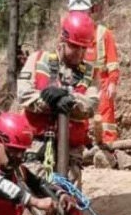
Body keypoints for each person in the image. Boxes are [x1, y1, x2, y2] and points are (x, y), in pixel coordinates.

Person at [17, 11, 99, 187]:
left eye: (84, 48)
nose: (80, 53)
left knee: (68, 199)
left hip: (70, 150)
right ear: (62, 41)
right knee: (35, 197)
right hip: (35, 145)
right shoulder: (38, 59)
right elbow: (23, 94)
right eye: (75, 47)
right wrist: (48, 100)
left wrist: (67, 97)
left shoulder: (90, 72)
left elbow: (91, 106)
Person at [68, 0, 120, 143]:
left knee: (105, 111)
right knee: (77, 112)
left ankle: (107, 144)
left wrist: (112, 82)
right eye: (77, 13)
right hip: (78, 81)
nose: (80, 16)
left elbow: (112, 62)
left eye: (83, 12)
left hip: (100, 81)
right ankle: (80, 144)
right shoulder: (66, 35)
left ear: (90, 12)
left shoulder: (103, 33)